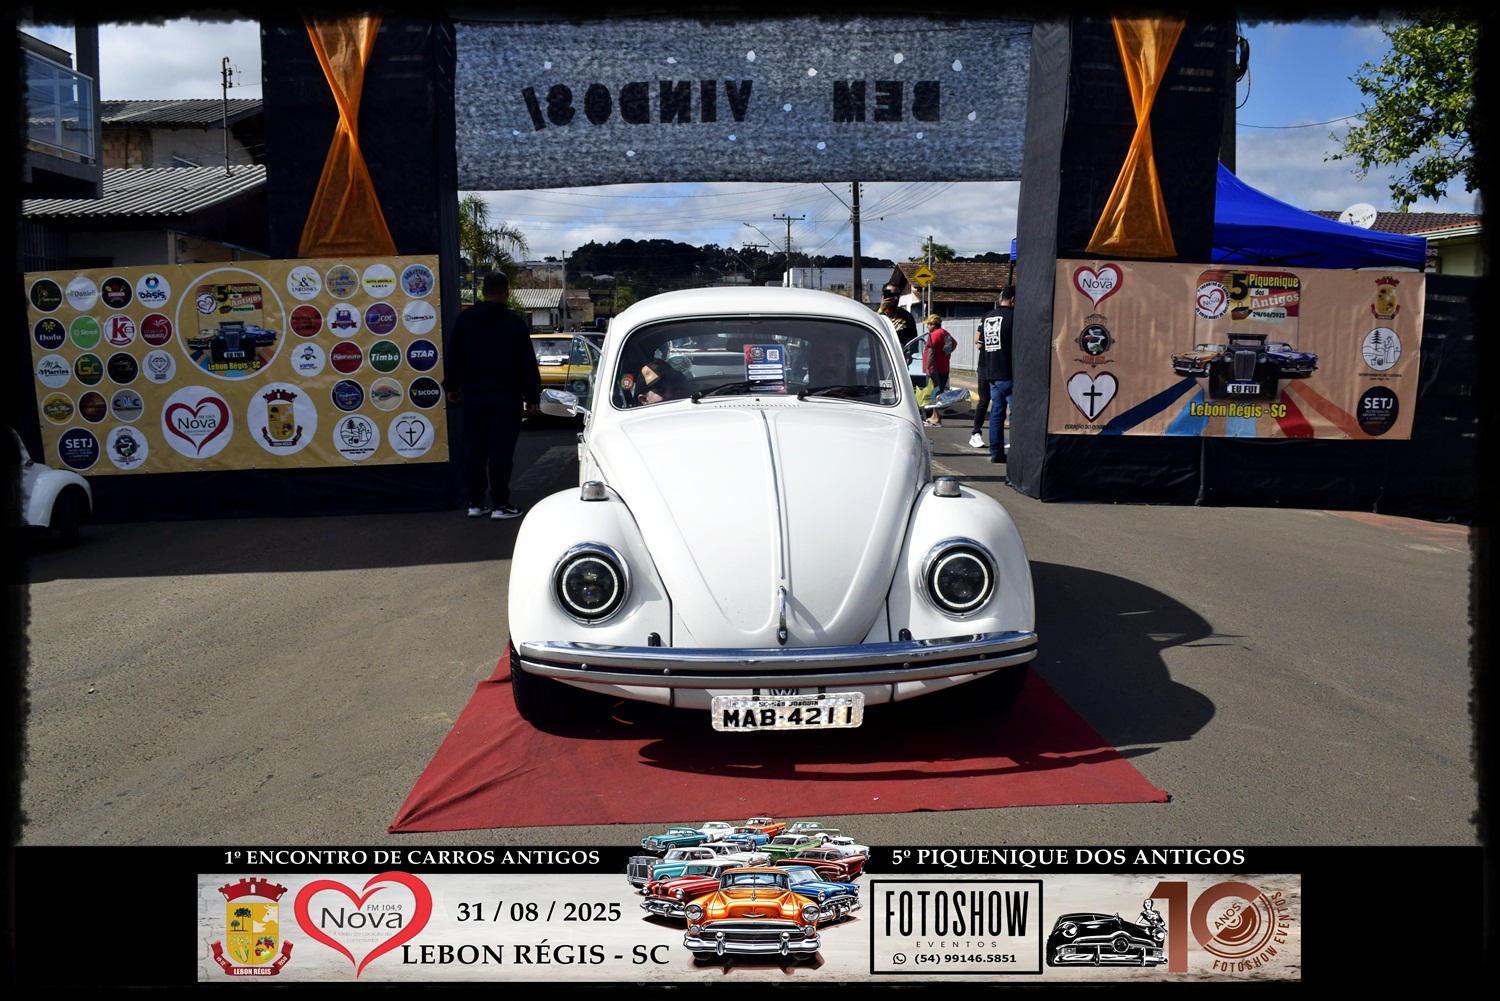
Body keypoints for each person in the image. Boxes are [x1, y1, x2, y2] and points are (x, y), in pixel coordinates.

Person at [442, 271, 541, 519]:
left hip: (473, 396)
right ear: (506, 292)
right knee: (501, 451)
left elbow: (454, 356)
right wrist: (532, 397)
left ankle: (476, 502)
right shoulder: (514, 323)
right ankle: (500, 504)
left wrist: (451, 386)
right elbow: (526, 363)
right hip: (505, 397)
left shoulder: (465, 320)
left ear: (483, 291)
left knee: (474, 450)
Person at [977, 285, 1015, 464]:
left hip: (991, 372)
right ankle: (1017, 452)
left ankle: (996, 452)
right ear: (1013, 299)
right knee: (1016, 414)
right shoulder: (1014, 317)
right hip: (1009, 373)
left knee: (997, 414)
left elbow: (980, 343)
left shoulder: (988, 317)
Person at [921, 313, 952, 427]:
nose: (927, 326)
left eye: (928, 324)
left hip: (935, 369)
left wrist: (928, 367)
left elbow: (931, 352)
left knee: (934, 393)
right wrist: (944, 354)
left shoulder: (934, 335)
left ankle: (937, 418)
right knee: (938, 392)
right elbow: (954, 344)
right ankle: (934, 416)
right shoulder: (945, 333)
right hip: (943, 367)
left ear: (933, 324)